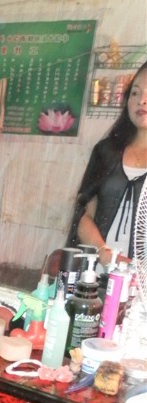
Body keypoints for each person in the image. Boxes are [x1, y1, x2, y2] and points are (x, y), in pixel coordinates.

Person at [67, 62, 147, 266]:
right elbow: (85, 215)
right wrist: (105, 253)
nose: (142, 101)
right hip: (97, 270)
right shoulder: (106, 152)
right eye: (135, 93)